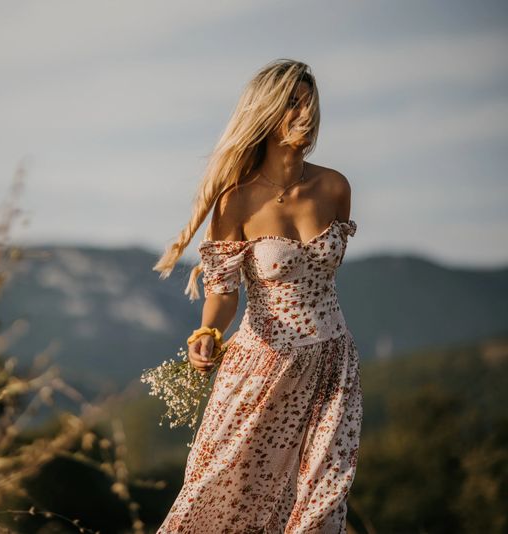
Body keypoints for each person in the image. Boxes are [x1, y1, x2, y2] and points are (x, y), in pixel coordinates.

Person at [152, 58, 362, 532]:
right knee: (223, 495)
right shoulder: (236, 200)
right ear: (266, 112)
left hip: (331, 363)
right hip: (260, 366)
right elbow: (223, 292)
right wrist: (207, 332)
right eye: (292, 102)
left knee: (320, 500)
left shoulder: (334, 187)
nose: (305, 112)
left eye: (310, 101)